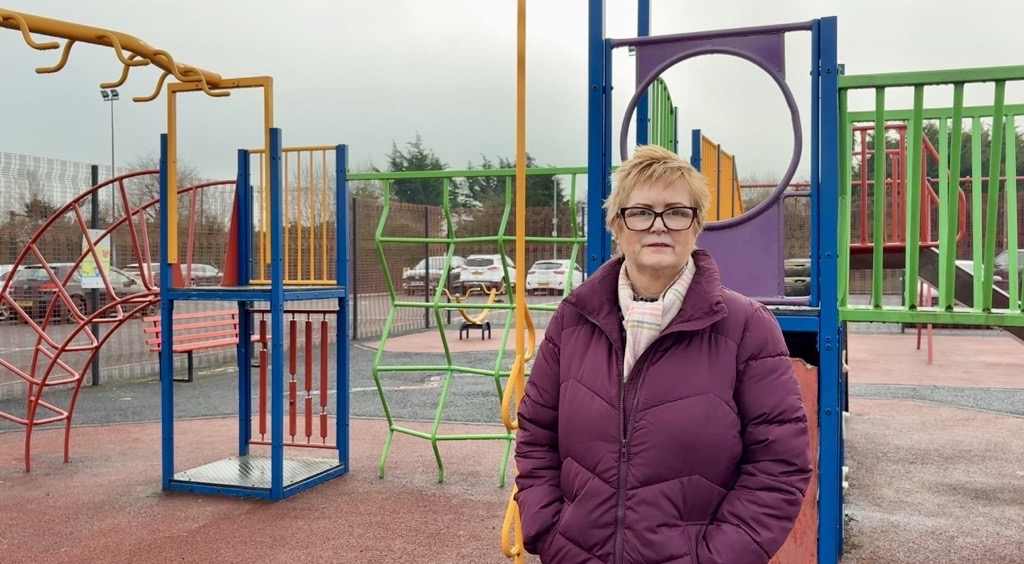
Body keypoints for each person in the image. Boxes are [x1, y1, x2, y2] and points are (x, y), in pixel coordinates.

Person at [514, 144, 812, 563]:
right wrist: (550, 535)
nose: (658, 226)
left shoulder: (747, 327)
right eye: (640, 212)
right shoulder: (574, 319)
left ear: (696, 224)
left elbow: (778, 466)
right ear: (616, 225)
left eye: (676, 212)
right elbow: (536, 435)